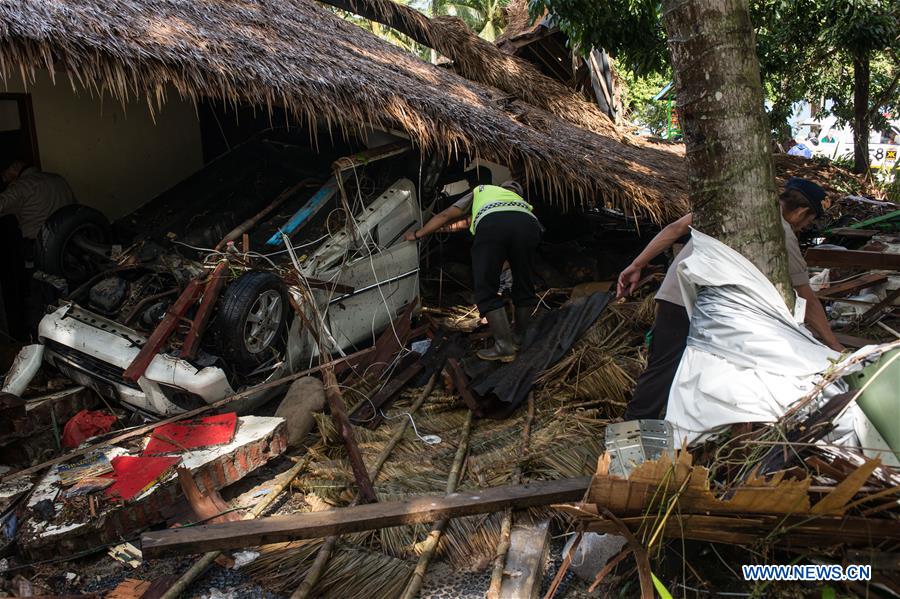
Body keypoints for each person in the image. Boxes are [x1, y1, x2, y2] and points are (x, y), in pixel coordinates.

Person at [616, 177, 844, 421]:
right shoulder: (780, 233)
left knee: (666, 366)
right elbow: (805, 296)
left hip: (677, 291)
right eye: (808, 221)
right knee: (675, 370)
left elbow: (676, 228)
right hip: (702, 303)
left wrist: (636, 264)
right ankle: (634, 432)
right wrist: (833, 345)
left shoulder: (733, 203)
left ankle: (653, 424)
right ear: (801, 211)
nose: (804, 227)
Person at [406, 167, 541, 362]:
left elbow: (446, 216)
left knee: (486, 288)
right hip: (529, 225)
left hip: (493, 227)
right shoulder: (522, 204)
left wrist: (418, 234)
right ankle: (519, 338)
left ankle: (504, 347)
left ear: (499, 187)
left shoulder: (483, 191)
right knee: (524, 284)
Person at [1, 159, 75, 243]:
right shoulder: (59, 178)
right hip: (69, 239)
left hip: (40, 246)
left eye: (4, 173)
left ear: (13, 169)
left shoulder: (20, 186)